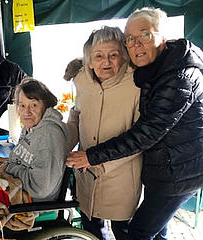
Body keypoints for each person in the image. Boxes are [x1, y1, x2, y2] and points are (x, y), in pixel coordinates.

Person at [66, 7, 203, 240]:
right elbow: (77, 112)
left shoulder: (170, 77)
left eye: (145, 35)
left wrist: (92, 157)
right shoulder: (153, 68)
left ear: (162, 36)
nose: (137, 44)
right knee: (154, 232)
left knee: (137, 233)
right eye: (131, 39)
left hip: (176, 172)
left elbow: (145, 133)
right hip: (158, 168)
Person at [66, 26, 142, 240]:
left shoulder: (137, 84)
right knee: (91, 227)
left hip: (121, 176)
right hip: (85, 173)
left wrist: (100, 162)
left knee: (123, 230)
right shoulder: (81, 80)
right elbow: (76, 115)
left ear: (124, 57)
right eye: (98, 56)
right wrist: (63, 144)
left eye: (113, 55)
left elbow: (141, 136)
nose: (106, 62)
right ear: (89, 60)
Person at [0, 77, 68, 201]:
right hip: (16, 193)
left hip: (30, 205)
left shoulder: (48, 134)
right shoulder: (31, 126)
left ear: (45, 106)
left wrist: (7, 170)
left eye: (33, 105)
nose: (26, 112)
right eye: (22, 105)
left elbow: (40, 188)